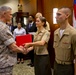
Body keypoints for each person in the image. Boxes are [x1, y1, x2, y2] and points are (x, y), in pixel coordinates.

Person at [0, 6, 26, 75]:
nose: (11, 16)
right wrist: (23, 50)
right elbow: (13, 47)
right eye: (10, 14)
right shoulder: (2, 27)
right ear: (4, 13)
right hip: (4, 62)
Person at [53, 7, 76, 75]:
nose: (55, 16)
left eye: (59, 14)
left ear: (67, 15)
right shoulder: (56, 32)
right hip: (56, 65)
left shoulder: (73, 33)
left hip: (67, 67)